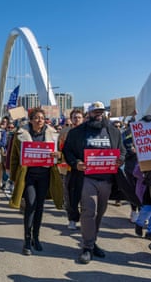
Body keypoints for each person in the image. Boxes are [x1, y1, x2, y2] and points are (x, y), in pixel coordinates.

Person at [63, 101, 125, 264]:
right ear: (88, 114)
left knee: (100, 213)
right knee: (89, 211)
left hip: (107, 179)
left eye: (101, 112)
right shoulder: (77, 132)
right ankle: (87, 247)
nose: (99, 114)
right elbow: (67, 150)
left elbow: (122, 150)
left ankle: (92, 241)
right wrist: (76, 163)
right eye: (95, 112)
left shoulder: (113, 131)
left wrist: (121, 160)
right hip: (86, 178)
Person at [9, 107, 63, 256]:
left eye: (41, 117)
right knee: (30, 205)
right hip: (29, 176)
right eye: (36, 118)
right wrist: (13, 176)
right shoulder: (20, 134)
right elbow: (14, 156)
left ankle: (36, 237)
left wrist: (58, 155)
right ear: (31, 120)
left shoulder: (53, 134)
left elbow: (60, 154)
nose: (39, 120)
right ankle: (27, 240)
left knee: (40, 207)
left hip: (45, 175)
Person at [57, 109, 84, 230]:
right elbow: (59, 148)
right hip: (67, 168)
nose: (77, 119)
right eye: (74, 117)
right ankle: (72, 219)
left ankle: (85, 220)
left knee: (85, 195)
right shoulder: (64, 132)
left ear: (82, 119)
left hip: (85, 169)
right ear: (71, 119)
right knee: (69, 195)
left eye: (79, 117)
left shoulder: (88, 132)